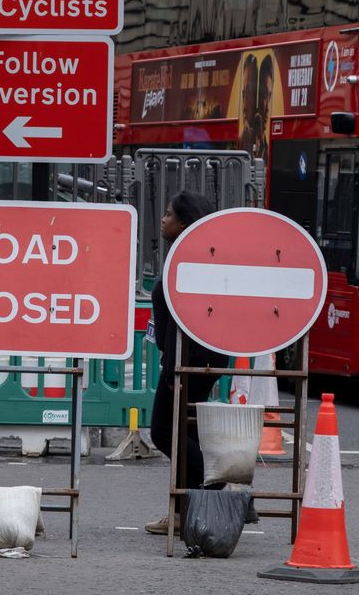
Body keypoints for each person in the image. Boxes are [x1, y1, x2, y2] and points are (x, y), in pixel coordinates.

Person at [144, 191, 229, 535]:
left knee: (165, 432)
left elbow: (190, 321)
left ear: (184, 222)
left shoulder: (193, 260)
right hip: (191, 357)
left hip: (191, 359)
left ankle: (215, 484)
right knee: (184, 432)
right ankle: (185, 511)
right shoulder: (186, 256)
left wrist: (172, 367)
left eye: (168, 214)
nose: (163, 220)